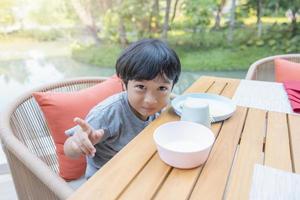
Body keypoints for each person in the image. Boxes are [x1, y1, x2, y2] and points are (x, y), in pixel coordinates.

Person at [64, 38, 181, 178]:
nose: (150, 100)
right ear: (124, 85)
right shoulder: (107, 114)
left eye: (162, 88)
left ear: (172, 87)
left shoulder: (163, 108)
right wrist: (77, 144)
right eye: (140, 87)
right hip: (106, 179)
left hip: (139, 169)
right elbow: (69, 149)